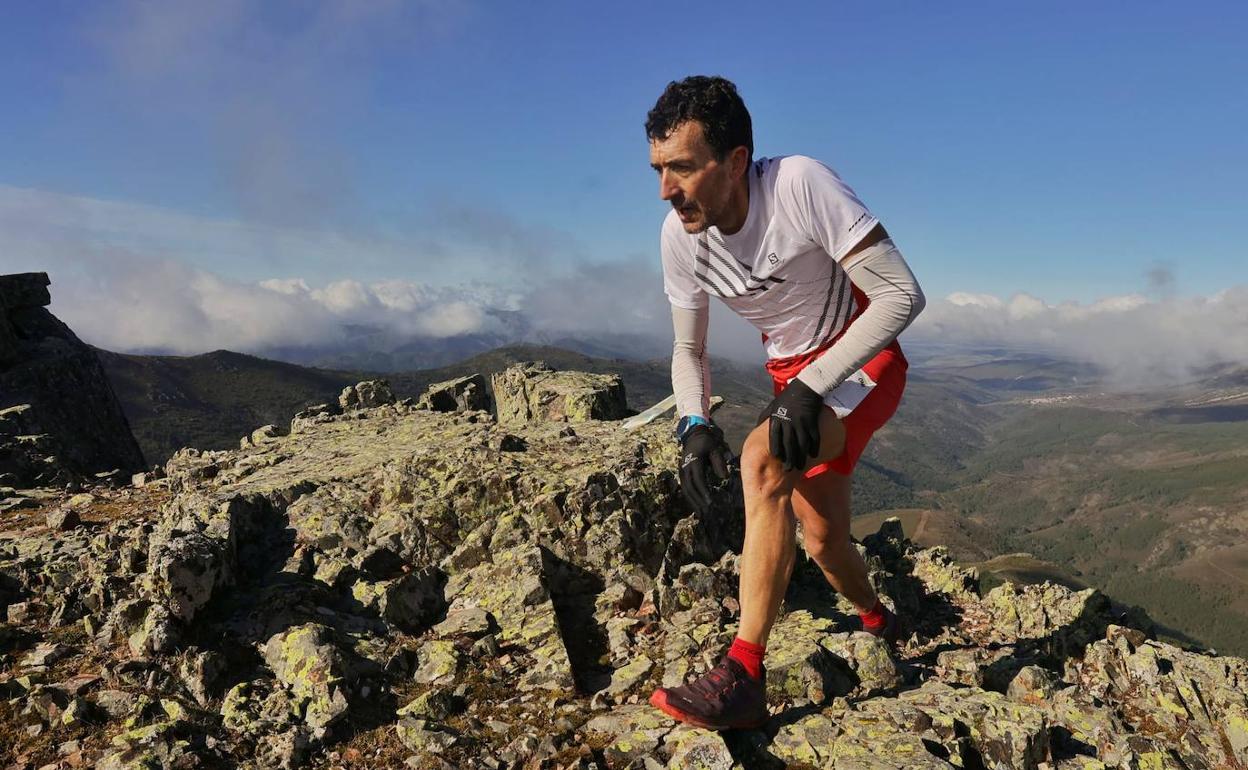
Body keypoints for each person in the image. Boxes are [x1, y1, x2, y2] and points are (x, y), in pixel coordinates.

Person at [645, 75, 926, 731]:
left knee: (762, 462)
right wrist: (692, 423)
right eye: (658, 169)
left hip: (863, 359)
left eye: (682, 167)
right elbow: (689, 350)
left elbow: (900, 297)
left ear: (735, 161)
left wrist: (810, 385)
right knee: (824, 540)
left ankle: (743, 673)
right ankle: (881, 623)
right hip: (795, 383)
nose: (665, 189)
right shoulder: (678, 236)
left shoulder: (798, 184)